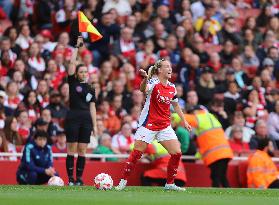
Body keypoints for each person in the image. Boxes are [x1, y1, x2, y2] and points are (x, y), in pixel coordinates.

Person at [115, 59, 192, 191]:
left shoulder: (172, 87)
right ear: (159, 70)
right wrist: (145, 78)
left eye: (170, 66)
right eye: (166, 67)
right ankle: (122, 181)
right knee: (137, 154)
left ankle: (169, 183)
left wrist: (184, 120)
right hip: (148, 125)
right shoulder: (153, 83)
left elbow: (175, 105)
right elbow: (143, 89)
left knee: (177, 153)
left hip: (164, 125)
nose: (170, 69)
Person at [65, 36, 97, 186]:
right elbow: (72, 63)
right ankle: (70, 179)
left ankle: (79, 179)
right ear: (77, 74)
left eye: (86, 72)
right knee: (71, 148)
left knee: (83, 149)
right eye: (81, 72)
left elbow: (92, 107)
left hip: (86, 119)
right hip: (73, 117)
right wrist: (77, 47)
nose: (84, 74)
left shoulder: (91, 88)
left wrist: (95, 126)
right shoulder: (73, 83)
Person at [184, 105, 233, 187]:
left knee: (217, 176)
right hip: (223, 153)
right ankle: (226, 194)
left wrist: (174, 115)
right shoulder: (210, 118)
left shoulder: (201, 117)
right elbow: (206, 140)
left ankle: (219, 194)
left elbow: (188, 119)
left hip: (217, 154)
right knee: (220, 176)